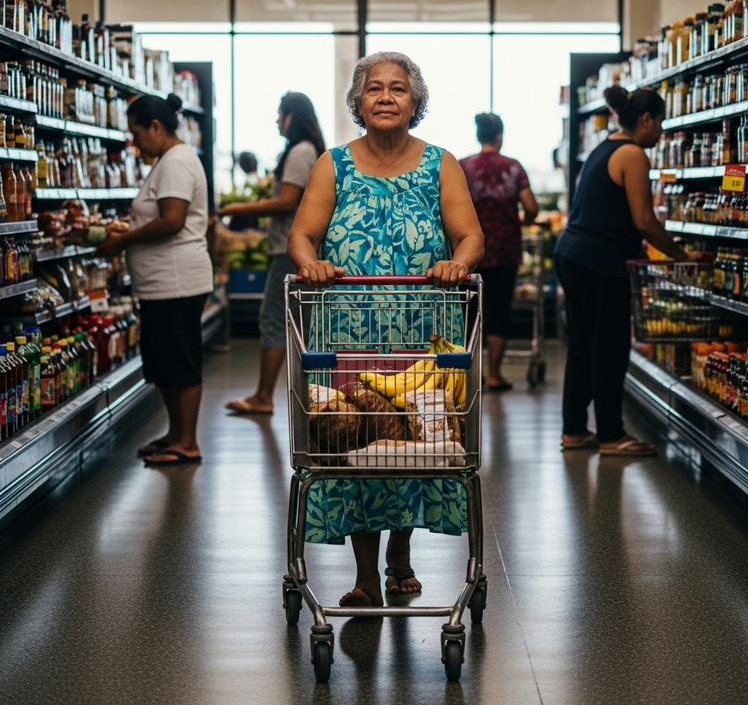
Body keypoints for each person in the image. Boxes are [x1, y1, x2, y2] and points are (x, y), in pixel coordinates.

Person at [287, 51, 484, 607]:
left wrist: (457, 263)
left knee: (417, 442)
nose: (386, 97)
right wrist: (312, 263)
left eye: (399, 89)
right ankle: (366, 572)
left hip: (426, 331)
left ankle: (400, 552)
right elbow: (303, 235)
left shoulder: (441, 163)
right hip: (348, 328)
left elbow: (470, 235)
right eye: (374, 89)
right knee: (358, 441)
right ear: (357, 102)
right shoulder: (334, 164)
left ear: (415, 102)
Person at [554, 85, 701, 457]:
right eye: (661, 123)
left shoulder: (604, 146)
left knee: (583, 347)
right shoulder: (633, 154)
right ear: (647, 119)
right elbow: (645, 222)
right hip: (599, 262)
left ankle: (574, 431)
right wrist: (681, 256)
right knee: (609, 348)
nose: (661, 132)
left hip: (572, 253)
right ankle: (611, 436)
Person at [96, 93, 213, 466]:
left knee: (180, 361)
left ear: (156, 127)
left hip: (177, 281)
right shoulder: (168, 160)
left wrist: (124, 240)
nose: (135, 142)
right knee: (164, 362)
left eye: (137, 133)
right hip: (162, 283)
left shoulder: (177, 161)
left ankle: (188, 442)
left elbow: (172, 220)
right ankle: (175, 434)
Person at [219, 92, 325, 415]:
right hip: (293, 247)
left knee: (273, 318)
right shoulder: (307, 151)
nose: (277, 120)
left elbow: (286, 202)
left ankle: (264, 396)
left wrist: (238, 207)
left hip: (291, 249)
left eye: (280, 114)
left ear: (292, 116)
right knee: (296, 323)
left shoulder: (301, 152)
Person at [459, 112, 539, 391]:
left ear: (478, 135)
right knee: (498, 311)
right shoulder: (513, 168)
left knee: (468, 314)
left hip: (468, 251)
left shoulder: (462, 167)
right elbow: (531, 208)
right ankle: (494, 374)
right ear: (500, 136)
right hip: (504, 250)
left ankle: (469, 374)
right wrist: (517, 224)